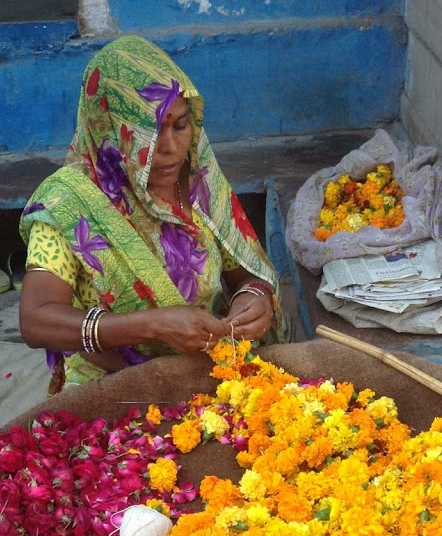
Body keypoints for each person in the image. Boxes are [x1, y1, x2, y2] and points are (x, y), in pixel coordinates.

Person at [19, 35, 284, 393]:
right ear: (109, 128)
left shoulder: (197, 181)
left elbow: (246, 273)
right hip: (115, 381)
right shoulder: (69, 202)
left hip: (207, 371)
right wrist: (152, 325)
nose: (170, 148)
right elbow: (36, 321)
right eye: (150, 132)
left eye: (180, 126)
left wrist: (253, 298)